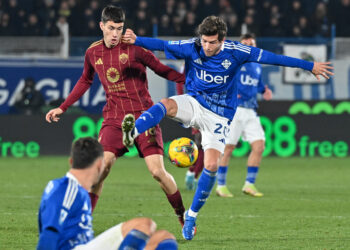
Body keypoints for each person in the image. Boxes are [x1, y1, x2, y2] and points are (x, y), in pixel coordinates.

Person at [121, 16, 333, 240]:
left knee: (212, 165)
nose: (207, 46)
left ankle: (191, 216)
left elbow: (273, 58)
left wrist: (309, 65)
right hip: (195, 102)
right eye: (204, 41)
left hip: (219, 116)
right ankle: (133, 131)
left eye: (212, 42)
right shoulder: (192, 46)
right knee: (166, 104)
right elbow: (163, 45)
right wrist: (137, 39)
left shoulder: (237, 51)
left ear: (222, 40)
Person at [45, 5, 187, 227]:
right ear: (101, 26)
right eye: (111, 28)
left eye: (119, 29)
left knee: (158, 172)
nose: (115, 34)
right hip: (114, 119)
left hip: (143, 117)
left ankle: (182, 214)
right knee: (101, 169)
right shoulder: (93, 52)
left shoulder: (135, 48)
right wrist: (63, 107)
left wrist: (186, 80)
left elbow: (161, 69)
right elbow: (85, 80)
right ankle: (85, 221)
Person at [37, 137, 178, 250]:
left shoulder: (74, 189)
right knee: (144, 225)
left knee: (164, 238)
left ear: (71, 161)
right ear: (100, 164)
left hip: (85, 246)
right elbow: (49, 234)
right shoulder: (67, 189)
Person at [216, 34, 273, 198]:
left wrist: (265, 90)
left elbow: (258, 83)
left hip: (251, 111)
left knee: (259, 145)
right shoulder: (233, 61)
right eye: (245, 44)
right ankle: (221, 186)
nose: (248, 47)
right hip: (235, 109)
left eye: (251, 44)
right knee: (228, 148)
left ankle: (249, 184)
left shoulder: (256, 65)